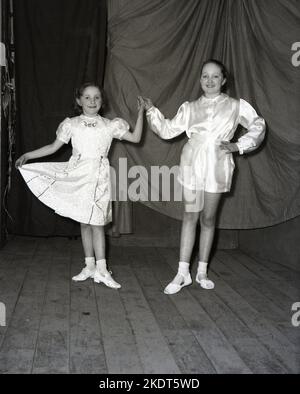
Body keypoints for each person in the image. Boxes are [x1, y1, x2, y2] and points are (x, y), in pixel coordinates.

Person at [141, 59, 265, 294]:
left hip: (217, 167)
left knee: (208, 219)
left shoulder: (236, 106)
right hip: (192, 165)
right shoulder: (189, 108)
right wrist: (151, 111)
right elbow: (168, 130)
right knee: (190, 216)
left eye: (215, 76)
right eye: (205, 76)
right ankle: (182, 272)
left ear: (224, 80)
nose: (209, 81)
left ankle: (202, 271)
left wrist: (238, 146)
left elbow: (258, 125)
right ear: (200, 80)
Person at [15, 82, 145, 289]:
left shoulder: (110, 125)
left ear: (102, 102)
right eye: (87, 97)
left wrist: (141, 114)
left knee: (97, 223)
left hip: (98, 176)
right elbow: (53, 147)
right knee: (85, 222)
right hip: (77, 174)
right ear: (79, 101)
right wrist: (28, 155)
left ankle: (102, 270)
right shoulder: (72, 124)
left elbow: (136, 138)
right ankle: (89, 266)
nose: (92, 101)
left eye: (96, 98)